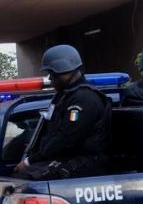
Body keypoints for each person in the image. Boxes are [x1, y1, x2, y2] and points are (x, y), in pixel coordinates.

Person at [14, 45, 111, 180]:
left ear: (68, 71)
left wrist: (31, 161)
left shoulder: (84, 99)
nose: (51, 79)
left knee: (29, 178)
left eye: (54, 74)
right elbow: (51, 135)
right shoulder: (65, 96)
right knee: (21, 176)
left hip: (87, 164)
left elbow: (67, 139)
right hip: (67, 160)